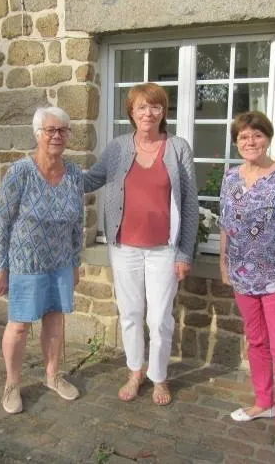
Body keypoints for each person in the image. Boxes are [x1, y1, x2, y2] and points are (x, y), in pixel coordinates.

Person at [84, 83, 198, 406]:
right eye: (141, 107)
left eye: (155, 107)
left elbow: (190, 204)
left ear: (163, 112)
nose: (148, 113)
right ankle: (135, 371)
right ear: (131, 113)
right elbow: (91, 179)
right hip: (125, 248)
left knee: (159, 318)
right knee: (131, 313)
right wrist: (54, 172)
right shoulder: (118, 148)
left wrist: (185, 252)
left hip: (165, 249)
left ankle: (159, 376)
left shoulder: (178, 148)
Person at [219, 111, 275, 457]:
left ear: (267, 138)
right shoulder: (230, 178)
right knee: (256, 341)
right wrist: (223, 262)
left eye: (257, 135)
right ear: (236, 142)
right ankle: (263, 402)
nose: (250, 142)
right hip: (243, 277)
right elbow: (226, 224)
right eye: (243, 137)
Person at [0, 106, 84, 414]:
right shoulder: (20, 172)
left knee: (55, 320)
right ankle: (12, 384)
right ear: (38, 134)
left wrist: (75, 262)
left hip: (60, 262)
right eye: (50, 130)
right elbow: (0, 221)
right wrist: (1, 266)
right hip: (25, 262)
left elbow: (78, 222)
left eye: (63, 130)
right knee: (19, 326)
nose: (57, 136)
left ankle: (53, 376)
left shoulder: (74, 174)